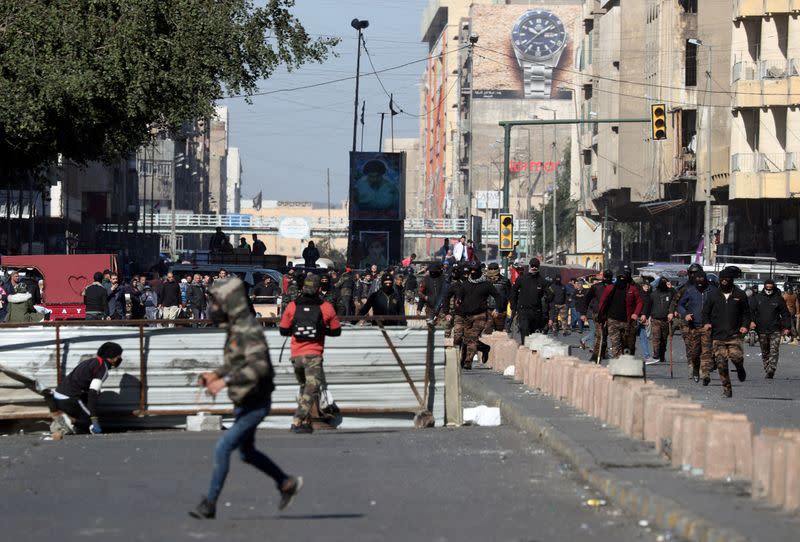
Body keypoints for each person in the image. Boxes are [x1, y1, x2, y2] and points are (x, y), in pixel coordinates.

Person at [191, 277, 302, 519]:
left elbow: (259, 367)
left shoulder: (248, 329)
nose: (214, 308)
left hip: (256, 402)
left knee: (223, 448)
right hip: (246, 400)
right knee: (246, 452)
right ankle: (286, 483)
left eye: (217, 303)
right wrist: (215, 374)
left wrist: (224, 381)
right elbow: (236, 362)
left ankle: (209, 504)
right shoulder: (236, 327)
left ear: (230, 303)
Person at [279, 274, 342, 433]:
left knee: (303, 387)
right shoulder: (326, 307)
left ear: (303, 288)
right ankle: (298, 420)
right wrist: (321, 330)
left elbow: (283, 330)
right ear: (319, 288)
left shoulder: (292, 306)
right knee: (311, 387)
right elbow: (336, 331)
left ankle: (306, 423)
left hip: (296, 355)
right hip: (313, 354)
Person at [52, 342, 123, 434]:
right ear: (111, 357)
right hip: (69, 398)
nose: (120, 359)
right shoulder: (102, 368)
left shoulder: (91, 362)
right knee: (90, 422)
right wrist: (93, 419)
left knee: (87, 416)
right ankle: (66, 421)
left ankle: (70, 424)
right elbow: (92, 393)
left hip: (59, 396)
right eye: (118, 356)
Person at [702, 267, 750, 397]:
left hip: (734, 334)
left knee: (736, 357)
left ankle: (740, 368)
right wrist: (706, 323)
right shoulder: (713, 295)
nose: (724, 282)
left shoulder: (740, 295)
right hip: (718, 335)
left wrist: (745, 326)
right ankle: (727, 389)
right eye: (722, 279)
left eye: (727, 279)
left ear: (731, 280)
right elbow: (705, 312)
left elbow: (746, 313)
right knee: (721, 363)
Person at [449, 261, 500, 369]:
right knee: (466, 339)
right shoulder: (466, 284)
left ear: (479, 271)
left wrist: (497, 308)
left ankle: (468, 361)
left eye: (474, 270)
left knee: (472, 338)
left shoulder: (486, 285)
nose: (472, 272)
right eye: (471, 270)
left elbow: (498, 296)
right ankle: (484, 348)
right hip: (467, 316)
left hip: (480, 315)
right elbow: (459, 296)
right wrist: (458, 301)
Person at [677, 270, 716, 382]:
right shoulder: (690, 290)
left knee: (706, 351)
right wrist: (685, 314)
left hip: (707, 326)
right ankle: (695, 369)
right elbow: (680, 305)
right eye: (697, 279)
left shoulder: (712, 291)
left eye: (702, 279)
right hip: (693, 326)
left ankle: (705, 373)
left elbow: (719, 306)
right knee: (694, 352)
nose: (700, 282)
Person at [750, 279, 791, 378]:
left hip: (775, 329)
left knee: (774, 350)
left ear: (773, 287)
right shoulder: (757, 298)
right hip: (761, 329)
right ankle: (767, 367)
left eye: (770, 286)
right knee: (765, 351)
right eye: (767, 286)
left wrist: (786, 327)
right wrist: (751, 322)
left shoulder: (778, 299)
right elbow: (750, 312)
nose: (769, 288)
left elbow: (785, 314)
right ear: (764, 286)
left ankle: (771, 369)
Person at [597, 270, 643, 359]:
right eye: (620, 278)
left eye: (623, 279)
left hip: (628, 321)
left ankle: (628, 360)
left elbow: (640, 302)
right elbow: (602, 302)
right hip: (612, 320)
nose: (621, 280)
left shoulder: (632, 289)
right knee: (615, 343)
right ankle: (618, 363)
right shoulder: (610, 288)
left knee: (628, 344)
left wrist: (636, 313)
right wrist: (601, 316)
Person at [511, 258, 551, 341]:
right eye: (532, 266)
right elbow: (513, 292)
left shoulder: (542, 281)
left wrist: (546, 300)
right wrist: (514, 307)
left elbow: (550, 294)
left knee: (534, 335)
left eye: (536, 266)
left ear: (538, 267)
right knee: (525, 332)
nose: (534, 268)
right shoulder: (522, 279)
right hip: (523, 311)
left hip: (536, 312)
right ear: (529, 266)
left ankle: (532, 352)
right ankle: (524, 350)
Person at [646, 278, 675, 364]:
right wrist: (646, 316)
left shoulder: (669, 293)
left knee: (664, 338)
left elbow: (676, 297)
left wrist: (671, 288)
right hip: (655, 319)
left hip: (666, 320)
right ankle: (656, 354)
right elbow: (648, 305)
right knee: (656, 337)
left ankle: (662, 354)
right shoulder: (653, 294)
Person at [485, 262, 511, 331]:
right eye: (491, 269)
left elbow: (509, 296)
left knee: (499, 332)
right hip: (487, 310)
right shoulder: (484, 281)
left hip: (501, 311)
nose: (493, 271)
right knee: (487, 332)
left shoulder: (505, 281)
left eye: (494, 269)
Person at [637, 279, 653, 363]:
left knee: (643, 337)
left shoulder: (648, 295)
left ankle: (647, 356)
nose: (647, 287)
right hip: (638, 318)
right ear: (642, 286)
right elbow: (640, 306)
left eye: (648, 286)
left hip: (643, 318)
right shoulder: (640, 294)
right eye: (645, 286)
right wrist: (642, 315)